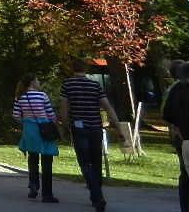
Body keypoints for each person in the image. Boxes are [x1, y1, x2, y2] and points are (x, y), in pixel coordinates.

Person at [60, 58, 122, 212]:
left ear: (72, 69)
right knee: (96, 162)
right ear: (86, 69)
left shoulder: (67, 85)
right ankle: (97, 196)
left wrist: (65, 125)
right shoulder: (95, 85)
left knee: (84, 162)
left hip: (78, 127)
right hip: (95, 127)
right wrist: (119, 127)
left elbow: (64, 107)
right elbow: (108, 107)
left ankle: (97, 195)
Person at [13, 73, 60, 203]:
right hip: (44, 129)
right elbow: (50, 114)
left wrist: (26, 121)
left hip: (29, 130)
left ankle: (33, 185)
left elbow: (16, 115)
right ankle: (47, 194)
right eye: (38, 80)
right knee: (47, 162)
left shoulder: (20, 97)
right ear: (33, 82)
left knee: (32, 158)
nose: (39, 82)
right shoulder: (42, 95)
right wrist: (55, 125)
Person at [164, 61, 189, 212]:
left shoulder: (173, 90)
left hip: (182, 139)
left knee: (186, 176)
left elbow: (166, 114)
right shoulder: (188, 91)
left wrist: (176, 127)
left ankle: (186, 207)